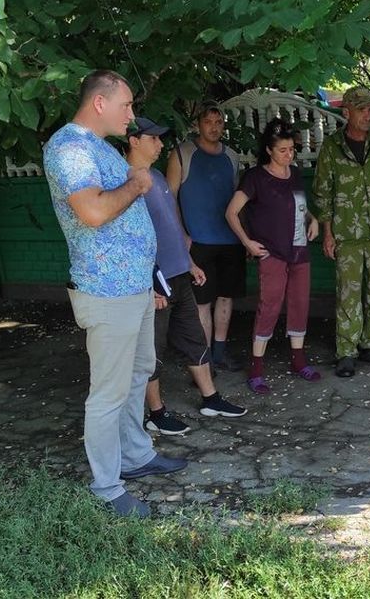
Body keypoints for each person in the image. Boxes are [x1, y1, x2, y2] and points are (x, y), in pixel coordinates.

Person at [43, 70, 186, 518]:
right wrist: (138, 182)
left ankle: (136, 454)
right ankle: (106, 487)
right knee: (107, 392)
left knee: (139, 371)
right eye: (126, 106)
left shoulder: (99, 147)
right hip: (106, 289)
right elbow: (92, 212)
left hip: (133, 285)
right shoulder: (68, 149)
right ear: (99, 103)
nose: (132, 115)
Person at [125, 117, 248, 434]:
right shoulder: (125, 181)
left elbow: (171, 224)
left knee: (195, 340)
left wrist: (188, 262)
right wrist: (148, 284)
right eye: (153, 139)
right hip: (155, 282)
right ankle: (156, 413)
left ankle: (211, 398)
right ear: (134, 141)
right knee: (151, 350)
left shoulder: (156, 177)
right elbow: (130, 239)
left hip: (179, 273)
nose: (161, 144)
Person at [313, 86, 370, 378]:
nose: (367, 116)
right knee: (348, 293)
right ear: (347, 113)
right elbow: (322, 193)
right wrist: (328, 233)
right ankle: (346, 351)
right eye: (361, 110)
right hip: (347, 234)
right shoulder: (332, 147)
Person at [225, 118, 321, 393]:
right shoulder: (256, 177)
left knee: (300, 303)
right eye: (282, 150)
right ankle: (256, 368)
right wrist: (247, 242)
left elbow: (300, 207)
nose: (288, 155)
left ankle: (298, 359)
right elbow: (231, 212)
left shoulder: (296, 174)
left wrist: (312, 219)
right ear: (269, 150)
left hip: (299, 249)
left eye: (292, 149)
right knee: (269, 305)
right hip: (272, 253)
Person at [167, 100, 244, 372]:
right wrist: (182, 235)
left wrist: (244, 237)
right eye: (208, 122)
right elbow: (169, 198)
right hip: (198, 242)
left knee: (226, 297)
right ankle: (205, 358)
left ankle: (220, 351)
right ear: (197, 124)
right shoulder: (182, 154)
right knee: (202, 303)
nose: (214, 127)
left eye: (218, 122)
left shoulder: (232, 156)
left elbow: (239, 198)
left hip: (230, 241)